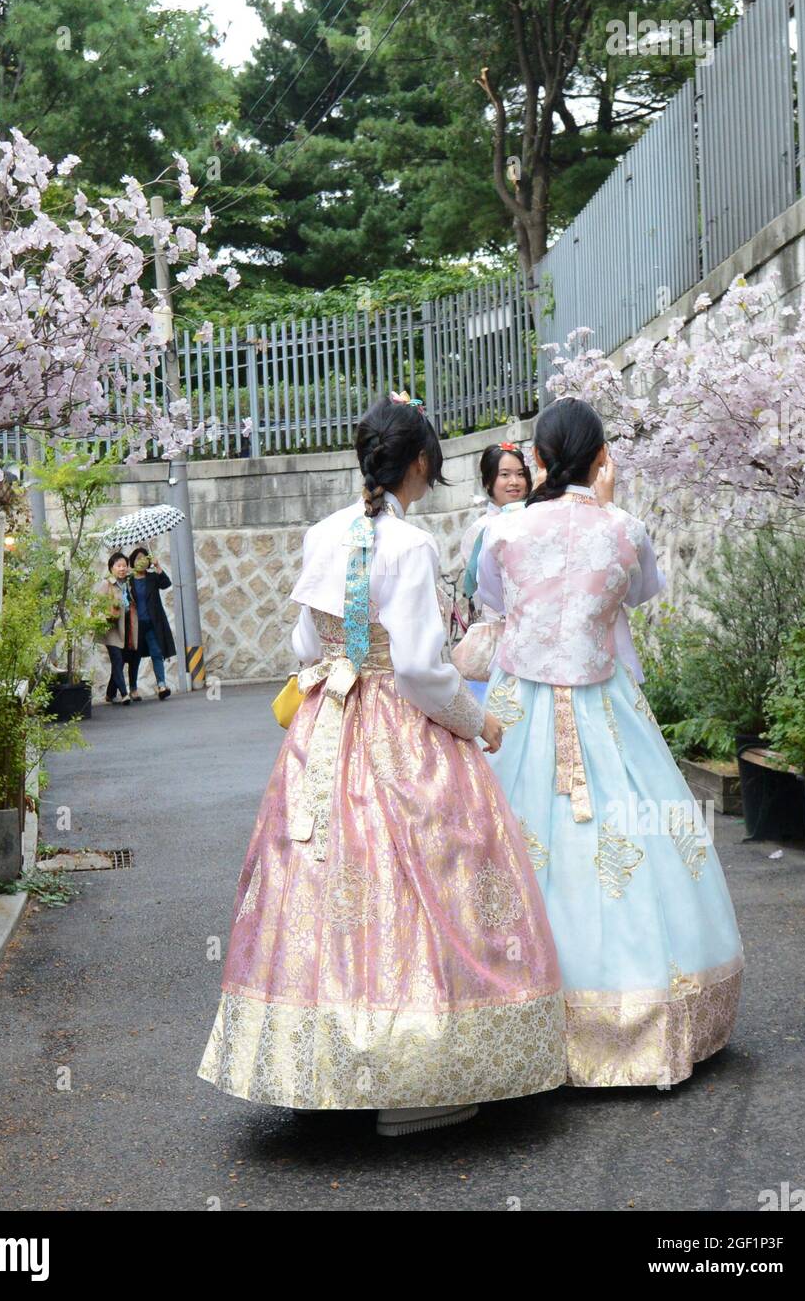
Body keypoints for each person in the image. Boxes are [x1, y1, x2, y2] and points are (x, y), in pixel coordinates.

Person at [198, 393, 566, 1136]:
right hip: (398, 725)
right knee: (428, 871)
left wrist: (345, 662)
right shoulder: (411, 546)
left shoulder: (321, 533)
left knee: (321, 878)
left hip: (325, 725)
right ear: (421, 462)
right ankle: (415, 1083)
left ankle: (322, 1063)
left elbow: (305, 644)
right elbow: (423, 672)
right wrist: (479, 721)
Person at [476, 396, 743, 1089]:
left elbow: (495, 604)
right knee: (632, 845)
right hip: (607, 705)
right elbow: (641, 590)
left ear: (538, 459)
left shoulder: (503, 530)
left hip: (517, 710)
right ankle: (644, 1012)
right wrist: (605, 507)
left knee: (513, 846)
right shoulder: (626, 528)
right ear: (600, 457)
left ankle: (511, 1016)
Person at [459, 442, 532, 702]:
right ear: (488, 481)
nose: (514, 482)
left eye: (520, 474)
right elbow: (482, 589)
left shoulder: (537, 520)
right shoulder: (480, 530)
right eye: (505, 475)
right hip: (501, 633)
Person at [127, 547, 175, 700]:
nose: (141, 561)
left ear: (148, 561)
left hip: (152, 623)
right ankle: (133, 689)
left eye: (144, 558)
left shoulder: (153, 577)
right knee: (135, 658)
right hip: (135, 625)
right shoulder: (128, 581)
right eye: (137, 558)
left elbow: (166, 583)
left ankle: (161, 685)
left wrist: (158, 566)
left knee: (157, 653)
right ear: (132, 561)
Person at [96, 552, 136, 706]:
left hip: (125, 627)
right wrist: (105, 614)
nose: (122, 569)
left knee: (120, 660)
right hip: (111, 627)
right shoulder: (107, 584)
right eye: (118, 566)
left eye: (124, 566)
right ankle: (124, 694)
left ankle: (110, 693)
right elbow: (97, 604)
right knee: (117, 659)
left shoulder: (128, 583)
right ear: (111, 568)